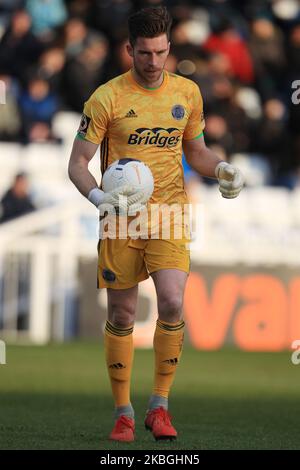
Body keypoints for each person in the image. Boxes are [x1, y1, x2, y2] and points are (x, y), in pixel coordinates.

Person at [68, 6, 244, 443]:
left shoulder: (188, 93)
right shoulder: (106, 97)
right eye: (144, 53)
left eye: (160, 52)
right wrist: (99, 198)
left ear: (170, 48)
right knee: (123, 313)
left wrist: (222, 168)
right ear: (129, 49)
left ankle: (159, 407)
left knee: (171, 301)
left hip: (170, 213)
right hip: (120, 217)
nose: (153, 62)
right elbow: (77, 165)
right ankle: (123, 412)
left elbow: (196, 152)